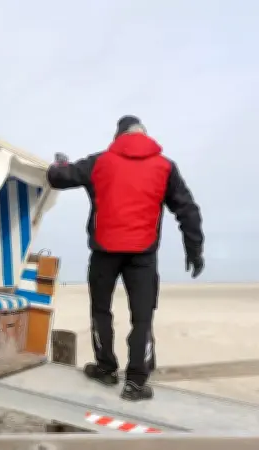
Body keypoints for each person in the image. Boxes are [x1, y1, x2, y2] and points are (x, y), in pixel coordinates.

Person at [46, 115, 204, 401]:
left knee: (101, 310)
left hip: (104, 252)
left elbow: (58, 177)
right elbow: (187, 210)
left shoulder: (100, 162)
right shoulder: (166, 166)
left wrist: (59, 163)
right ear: (144, 134)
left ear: (118, 136)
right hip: (143, 255)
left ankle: (106, 368)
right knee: (142, 317)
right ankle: (136, 382)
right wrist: (194, 250)